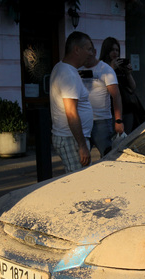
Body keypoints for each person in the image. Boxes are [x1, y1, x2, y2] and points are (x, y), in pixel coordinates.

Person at [49, 31, 94, 173]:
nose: (91, 53)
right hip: (71, 139)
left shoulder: (63, 68)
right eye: (88, 49)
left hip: (70, 137)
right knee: (80, 182)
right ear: (76, 50)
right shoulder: (68, 74)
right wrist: (82, 145)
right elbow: (71, 112)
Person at [80, 43, 124, 157]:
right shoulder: (78, 68)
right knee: (82, 159)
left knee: (107, 156)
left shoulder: (106, 69)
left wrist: (118, 120)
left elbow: (116, 95)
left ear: (94, 52)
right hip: (83, 121)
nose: (85, 59)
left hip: (101, 121)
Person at [99, 37, 145, 133]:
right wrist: (112, 69)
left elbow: (133, 87)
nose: (115, 53)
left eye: (117, 50)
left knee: (126, 136)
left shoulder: (120, 66)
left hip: (127, 107)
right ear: (106, 50)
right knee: (114, 138)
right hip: (111, 109)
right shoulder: (102, 66)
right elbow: (101, 86)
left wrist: (128, 73)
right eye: (112, 50)